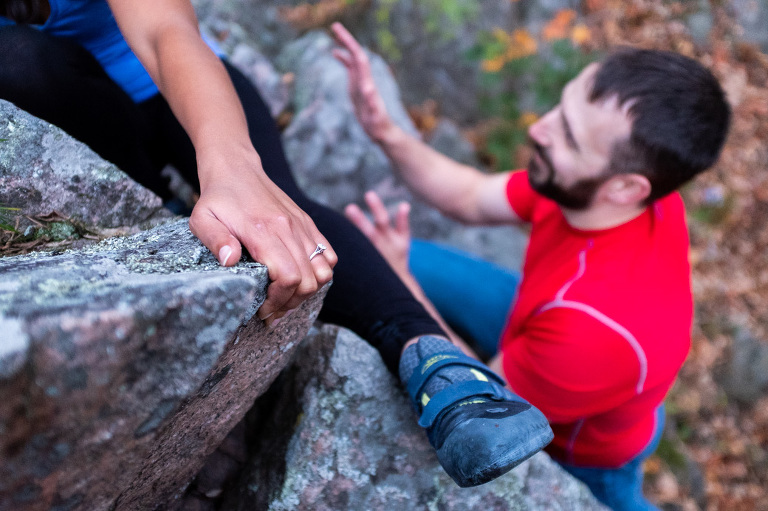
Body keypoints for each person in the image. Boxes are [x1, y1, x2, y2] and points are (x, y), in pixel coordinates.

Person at [0, 0, 554, 488]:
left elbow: (167, 31)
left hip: (181, 89)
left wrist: (237, 173)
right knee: (18, 58)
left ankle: (436, 362)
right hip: (77, 116)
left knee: (280, 205)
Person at [331, 22, 730, 510]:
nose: (538, 128)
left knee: (390, 272)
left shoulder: (594, 333)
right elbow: (472, 197)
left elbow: (482, 397)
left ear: (626, 188)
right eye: (561, 107)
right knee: (368, 255)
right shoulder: (591, 189)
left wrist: (404, 284)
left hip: (588, 443)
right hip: (544, 319)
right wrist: (385, 130)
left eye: (568, 136)